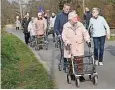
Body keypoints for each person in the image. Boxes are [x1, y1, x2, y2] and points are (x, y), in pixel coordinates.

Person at [62, 11, 91, 82]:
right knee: (71, 61)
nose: (76, 19)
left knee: (80, 61)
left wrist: (88, 40)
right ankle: (72, 74)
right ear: (70, 19)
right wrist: (67, 42)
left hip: (79, 45)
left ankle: (80, 75)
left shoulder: (80, 24)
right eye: (74, 17)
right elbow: (64, 36)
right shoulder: (66, 26)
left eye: (76, 17)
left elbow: (85, 32)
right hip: (70, 46)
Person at [54, 3, 71, 71]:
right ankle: (65, 64)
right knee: (64, 51)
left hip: (70, 35)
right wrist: (59, 34)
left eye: (68, 9)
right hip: (62, 35)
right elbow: (56, 27)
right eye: (66, 9)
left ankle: (71, 64)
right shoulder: (59, 16)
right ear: (63, 8)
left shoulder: (70, 15)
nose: (67, 10)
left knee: (71, 50)